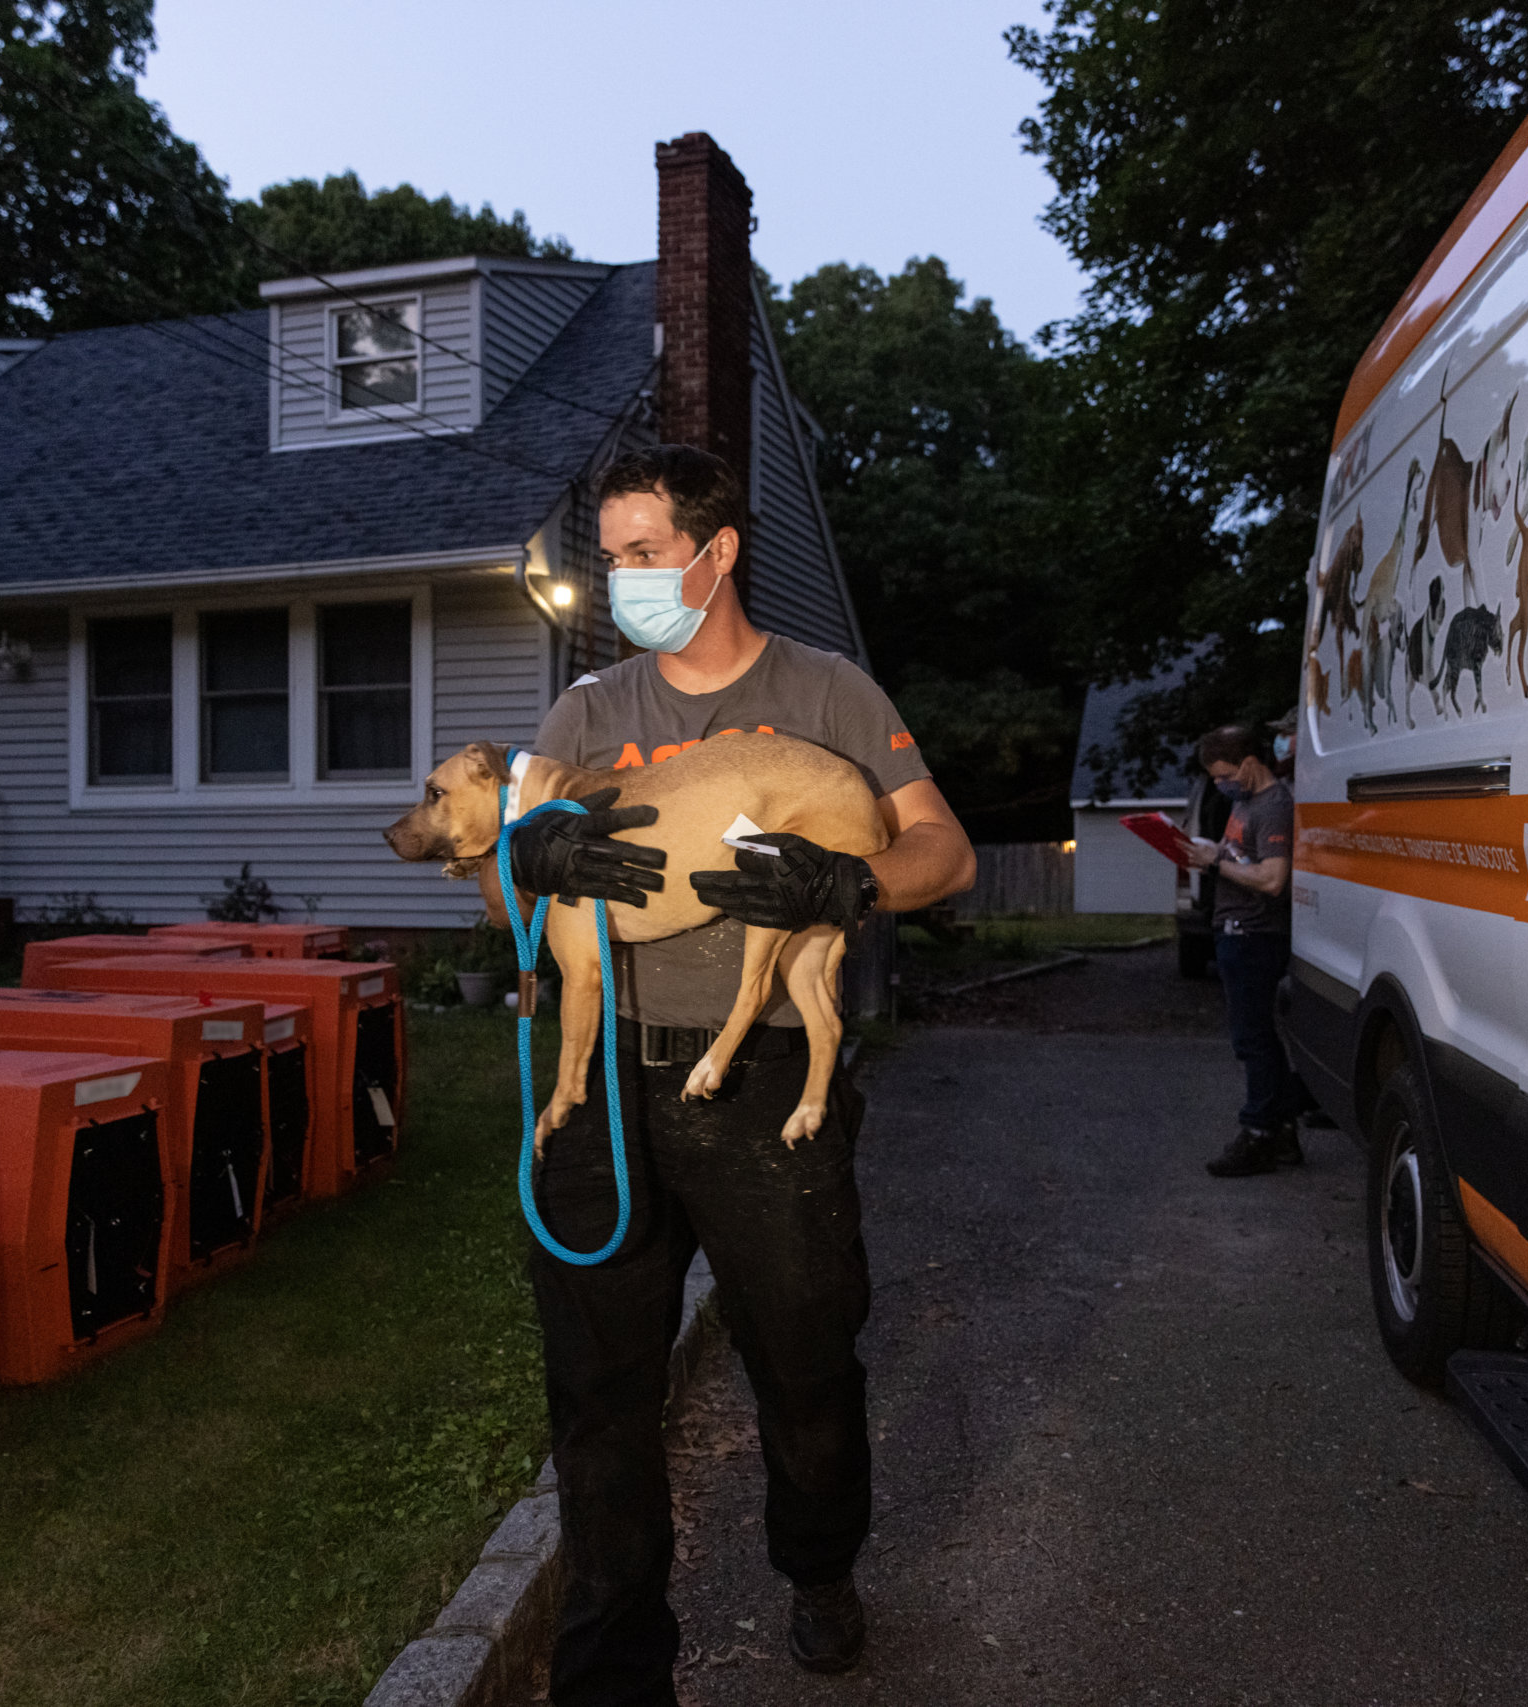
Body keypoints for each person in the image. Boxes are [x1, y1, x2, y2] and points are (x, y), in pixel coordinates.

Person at [503, 444, 977, 1706]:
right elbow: (506, 867)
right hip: (604, 1088)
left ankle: (818, 1565)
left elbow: (947, 847)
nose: (621, 583)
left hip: (766, 1087)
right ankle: (612, 1666)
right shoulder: (589, 713)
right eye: (610, 558)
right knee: (599, 1395)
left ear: (716, 554)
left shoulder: (824, 693)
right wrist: (530, 861)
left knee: (805, 1358)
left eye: (644, 553)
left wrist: (857, 882)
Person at [1183, 723, 1301, 1177]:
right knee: (1258, 1037)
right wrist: (1212, 851)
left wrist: (1215, 861)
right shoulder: (1247, 803)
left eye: (1223, 774)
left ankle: (1258, 1133)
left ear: (1250, 764)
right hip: (1234, 930)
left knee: (1253, 1040)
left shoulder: (1273, 807)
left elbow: (1272, 880)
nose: (1219, 784)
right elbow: (1241, 859)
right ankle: (1284, 1130)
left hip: (1254, 935)